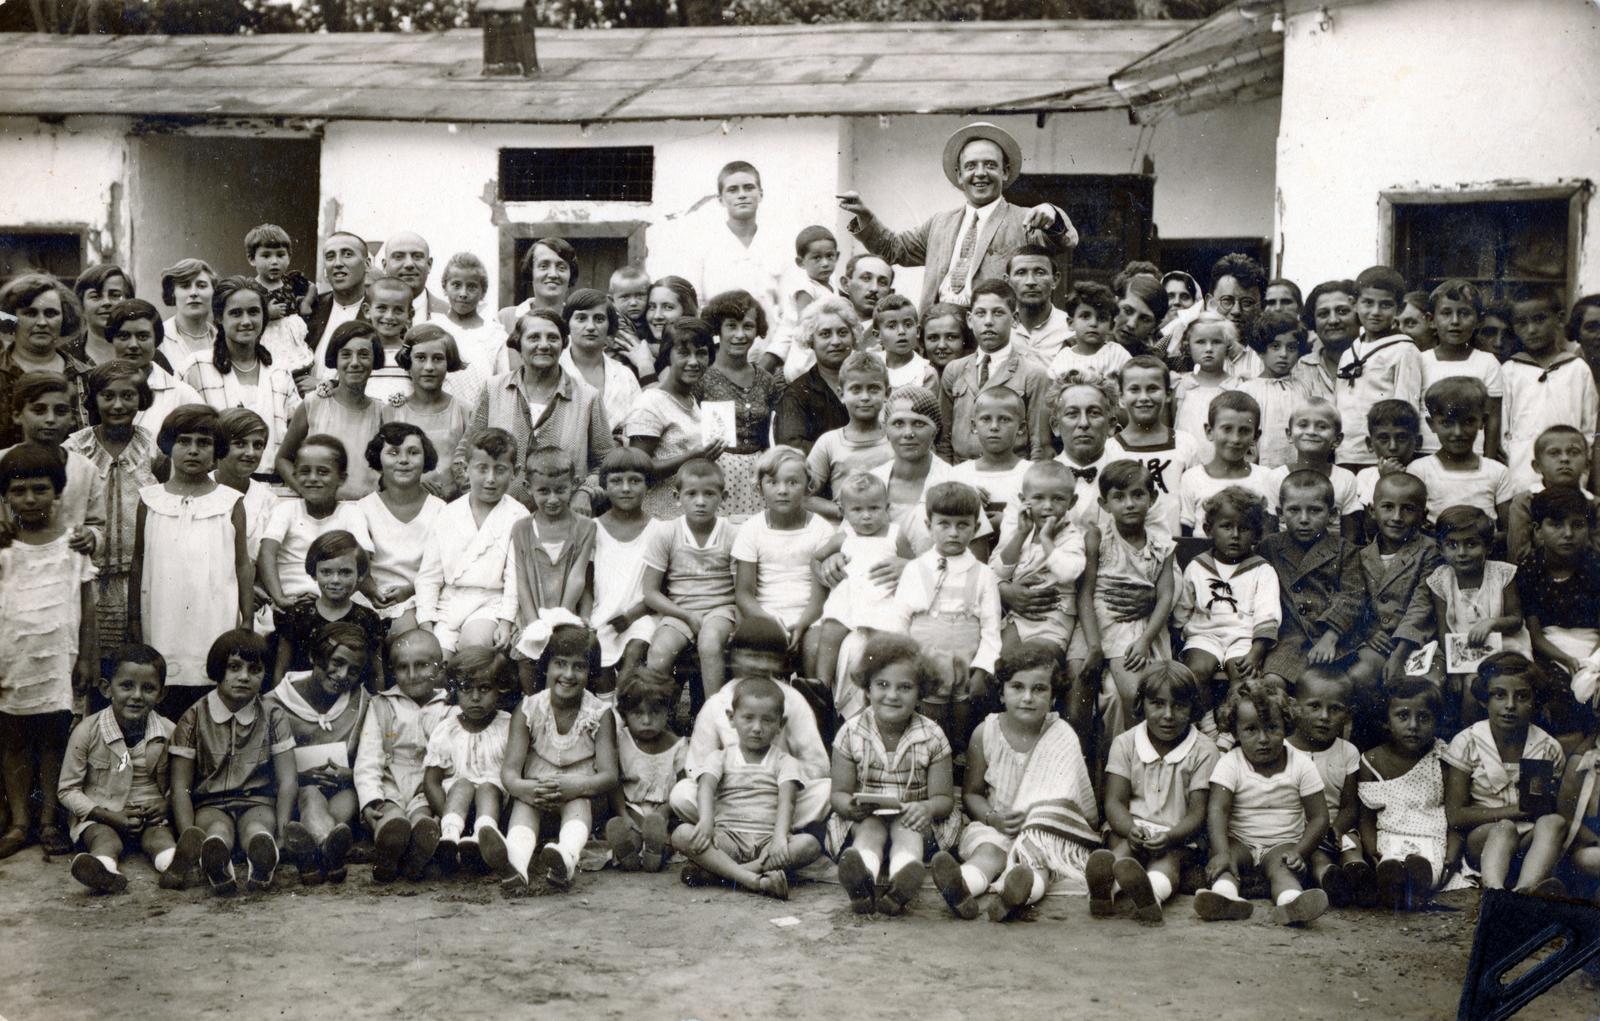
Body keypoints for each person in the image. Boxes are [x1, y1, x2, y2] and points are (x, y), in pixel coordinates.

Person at [931, 641, 1099, 921]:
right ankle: (961, 888)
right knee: (988, 853)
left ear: (1054, 696)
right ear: (1001, 693)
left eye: (1039, 689)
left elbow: (1072, 801)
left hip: (1042, 832)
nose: (1028, 697)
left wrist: (1039, 827)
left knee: (1037, 862)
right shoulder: (985, 733)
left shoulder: (1062, 734)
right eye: (1017, 687)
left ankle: (1017, 894)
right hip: (996, 824)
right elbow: (971, 793)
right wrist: (992, 818)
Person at [841, 121, 1077, 311]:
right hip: (939, 331)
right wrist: (865, 217)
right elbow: (894, 249)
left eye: (990, 165)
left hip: (991, 333)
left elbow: (1065, 241)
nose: (981, 173)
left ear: (1005, 172)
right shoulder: (940, 223)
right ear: (960, 174)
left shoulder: (1025, 220)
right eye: (971, 166)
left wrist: (1052, 215)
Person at [0, 443, 98, 859]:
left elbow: (88, 607)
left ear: (57, 493)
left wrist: (88, 658)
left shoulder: (73, 546)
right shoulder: (3, 548)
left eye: (40, 489)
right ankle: (21, 822)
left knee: (54, 739)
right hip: (11, 659)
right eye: (18, 491)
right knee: (14, 740)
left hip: (58, 658)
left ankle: (49, 821)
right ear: (5, 497)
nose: (29, 499)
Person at [129, 406, 250, 708]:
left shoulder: (229, 502)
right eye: (184, 441)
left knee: (210, 689)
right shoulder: (151, 500)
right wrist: (133, 618)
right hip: (162, 615)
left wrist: (247, 619)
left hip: (213, 615)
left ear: (217, 449)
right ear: (169, 445)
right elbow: (139, 561)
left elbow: (242, 564)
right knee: (164, 692)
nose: (193, 450)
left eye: (203, 443)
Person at [830, 633, 957, 915]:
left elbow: (943, 798)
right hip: (867, 819)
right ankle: (861, 882)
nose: (892, 695)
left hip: (914, 818)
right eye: (882, 685)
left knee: (905, 829)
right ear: (867, 687)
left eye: (905, 687)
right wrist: (849, 806)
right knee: (871, 829)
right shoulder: (851, 732)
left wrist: (926, 807)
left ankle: (904, 879)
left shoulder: (932, 736)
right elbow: (838, 793)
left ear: (920, 691)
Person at [168, 630, 296, 895]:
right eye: (234, 668)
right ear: (218, 670)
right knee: (217, 831)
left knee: (257, 830)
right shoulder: (193, 717)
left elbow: (287, 779)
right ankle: (216, 862)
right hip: (210, 803)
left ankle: (262, 861)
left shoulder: (273, 715)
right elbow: (180, 786)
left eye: (255, 669)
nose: (244, 677)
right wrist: (188, 834)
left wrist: (282, 830)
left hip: (258, 801)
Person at [672, 674, 820, 900]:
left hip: (766, 844)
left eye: (768, 720)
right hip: (727, 839)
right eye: (748, 718)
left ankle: (721, 874)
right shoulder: (720, 757)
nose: (757, 728)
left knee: (809, 845)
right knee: (681, 834)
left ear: (781, 724)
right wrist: (706, 821)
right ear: (732, 718)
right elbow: (706, 788)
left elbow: (787, 801)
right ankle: (751, 878)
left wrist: (780, 837)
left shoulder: (784, 761)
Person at [1195, 680, 1331, 926]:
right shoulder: (1230, 763)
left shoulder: (1301, 764)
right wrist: (1222, 852)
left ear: (1286, 726)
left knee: (1284, 869)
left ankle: (1291, 904)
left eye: (1272, 728)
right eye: (1251, 730)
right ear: (1235, 732)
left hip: (1282, 843)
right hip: (1240, 840)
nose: (1263, 739)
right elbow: (1217, 809)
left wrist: (1299, 851)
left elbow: (1320, 817)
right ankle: (1225, 898)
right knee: (1227, 864)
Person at [1093, 661, 1217, 924]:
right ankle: (1104, 891)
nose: (1168, 715)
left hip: (1179, 834)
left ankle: (1150, 895)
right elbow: (1114, 802)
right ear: (1142, 704)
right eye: (1157, 704)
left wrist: (1171, 836)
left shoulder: (1204, 750)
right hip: (1132, 828)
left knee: (1168, 862)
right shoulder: (1125, 743)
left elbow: (1198, 812)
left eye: (1179, 705)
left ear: (1193, 707)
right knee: (1122, 851)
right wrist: (1130, 829)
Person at [500, 621, 618, 892]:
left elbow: (610, 775)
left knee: (579, 803)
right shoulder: (529, 709)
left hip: (581, 795)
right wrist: (523, 788)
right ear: (547, 666)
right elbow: (510, 771)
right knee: (523, 805)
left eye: (579, 666)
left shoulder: (599, 713)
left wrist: (578, 786)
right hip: (536, 792)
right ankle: (517, 865)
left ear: (591, 672)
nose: (568, 674)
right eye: (560, 664)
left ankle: (566, 857)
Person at [59, 644, 187, 893]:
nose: (137, 696)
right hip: (102, 814)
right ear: (107, 689)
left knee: (159, 838)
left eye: (148, 688)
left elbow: (183, 782)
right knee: (104, 839)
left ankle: (174, 865)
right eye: (127, 686)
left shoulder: (170, 732)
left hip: (151, 816)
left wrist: (167, 804)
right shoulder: (87, 731)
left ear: (161, 694)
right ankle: (103, 870)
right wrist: (106, 814)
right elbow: (67, 790)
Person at [458, 308, 614, 511]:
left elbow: (606, 463)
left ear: (564, 343)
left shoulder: (587, 397)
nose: (544, 345)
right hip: (498, 517)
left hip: (563, 519)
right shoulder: (494, 389)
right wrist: (478, 498)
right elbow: (466, 451)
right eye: (533, 338)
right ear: (518, 344)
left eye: (553, 338)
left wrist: (585, 492)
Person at [889, 481, 1001, 749]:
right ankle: (931, 757)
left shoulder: (983, 574)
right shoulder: (916, 569)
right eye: (944, 524)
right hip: (926, 654)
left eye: (963, 525)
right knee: (930, 714)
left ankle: (960, 763)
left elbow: (991, 626)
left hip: (966, 655)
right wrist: (905, 661)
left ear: (975, 528)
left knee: (964, 715)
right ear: (929, 526)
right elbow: (900, 620)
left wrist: (983, 668)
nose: (953, 533)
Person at [1443, 653, 1567, 893]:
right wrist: (1513, 811)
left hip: (1530, 842)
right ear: (1484, 700)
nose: (1510, 705)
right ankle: (1494, 891)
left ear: (1534, 701)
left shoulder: (1547, 747)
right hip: (1485, 839)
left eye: (1522, 696)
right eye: (1499, 695)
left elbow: (1551, 807)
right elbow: (1455, 815)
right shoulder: (1467, 742)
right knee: (1506, 828)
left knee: (1555, 822)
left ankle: (1525, 890)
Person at [65, 360, 159, 654]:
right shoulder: (75, 449)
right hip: (86, 574)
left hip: (138, 576)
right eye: (108, 396)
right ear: (93, 400)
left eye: (128, 396)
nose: (118, 405)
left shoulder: (152, 448)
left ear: (141, 398)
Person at [268, 621, 371, 885]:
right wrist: (301, 776)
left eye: (354, 670)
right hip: (293, 797)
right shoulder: (273, 704)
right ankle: (329, 847)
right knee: (311, 795)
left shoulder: (361, 701)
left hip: (342, 791)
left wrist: (350, 774)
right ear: (316, 656)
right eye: (337, 662)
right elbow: (259, 767)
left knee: (349, 796)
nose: (342, 674)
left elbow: (373, 757)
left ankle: (315, 852)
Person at [416, 428, 527, 655]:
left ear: (515, 472)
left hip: (490, 604)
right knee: (433, 659)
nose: (490, 479)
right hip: (448, 604)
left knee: (473, 648)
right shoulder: (448, 513)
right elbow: (429, 574)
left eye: (500, 470)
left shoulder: (518, 516)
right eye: (482, 468)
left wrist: (506, 621)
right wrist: (426, 621)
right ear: (466, 469)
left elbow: (515, 577)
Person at [1085, 461, 1176, 738]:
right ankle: (1130, 758)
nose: (1129, 504)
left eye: (1138, 495)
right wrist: (1094, 645)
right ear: (1104, 503)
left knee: (1163, 691)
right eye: (1119, 497)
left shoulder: (1161, 544)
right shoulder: (1099, 539)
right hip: (1114, 623)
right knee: (1135, 693)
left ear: (1152, 498)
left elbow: (1166, 595)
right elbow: (1085, 594)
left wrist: (1146, 639)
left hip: (1150, 629)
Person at [354, 628, 451, 883]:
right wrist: (369, 799)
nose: (411, 675)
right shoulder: (382, 705)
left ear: (440, 668)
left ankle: (419, 851)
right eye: (402, 668)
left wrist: (446, 806)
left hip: (429, 784)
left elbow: (456, 760)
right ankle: (388, 851)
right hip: (391, 780)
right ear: (392, 671)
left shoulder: (449, 708)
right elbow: (368, 756)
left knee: (424, 820)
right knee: (390, 817)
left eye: (421, 666)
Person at [811, 472, 912, 716]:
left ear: (887, 507)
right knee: (832, 627)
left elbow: (911, 563)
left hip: (882, 596)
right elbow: (815, 558)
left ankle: (869, 687)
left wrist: (905, 565)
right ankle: (820, 685)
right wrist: (823, 572)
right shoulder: (844, 537)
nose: (866, 516)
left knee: (878, 643)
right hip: (849, 594)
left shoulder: (894, 533)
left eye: (874, 508)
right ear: (843, 510)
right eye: (857, 509)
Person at [179, 276, 302, 476]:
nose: (246, 321)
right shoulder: (196, 367)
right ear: (219, 317)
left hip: (274, 486)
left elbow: (296, 430)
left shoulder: (279, 370)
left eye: (253, 312)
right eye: (236, 313)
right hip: (214, 486)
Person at [640, 458, 740, 700]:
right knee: (660, 651)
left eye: (709, 494)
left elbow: (740, 590)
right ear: (677, 497)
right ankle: (657, 716)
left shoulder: (733, 533)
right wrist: (685, 615)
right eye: (691, 494)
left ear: (723, 497)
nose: (700, 502)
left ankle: (713, 715)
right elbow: (650, 592)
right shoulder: (667, 532)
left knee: (709, 641)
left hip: (721, 610)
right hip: (680, 611)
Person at [732, 446, 833, 682]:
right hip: (765, 614)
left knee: (815, 649)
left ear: (808, 486)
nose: (783, 491)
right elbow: (744, 594)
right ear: (759, 488)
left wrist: (802, 624)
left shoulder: (821, 529)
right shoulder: (752, 529)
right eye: (773, 483)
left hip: (811, 615)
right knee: (763, 651)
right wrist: (770, 623)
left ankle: (814, 714)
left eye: (792, 482)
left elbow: (819, 598)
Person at [257, 435, 374, 638]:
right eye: (305, 471)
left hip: (338, 602)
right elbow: (267, 553)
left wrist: (333, 601)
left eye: (323, 472)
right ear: (294, 474)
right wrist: (280, 597)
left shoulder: (351, 513)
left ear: (342, 478)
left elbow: (363, 562)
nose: (312, 478)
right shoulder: (286, 510)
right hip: (292, 601)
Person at [1174, 487, 1279, 702]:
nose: (1235, 535)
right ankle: (1207, 725)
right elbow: (1183, 607)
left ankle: (1231, 729)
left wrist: (1255, 653)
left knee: (1243, 677)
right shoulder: (1198, 566)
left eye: (1245, 528)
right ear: (1208, 529)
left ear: (1257, 534)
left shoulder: (1262, 570)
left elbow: (1267, 614)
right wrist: (1175, 638)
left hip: (1244, 637)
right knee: (1196, 671)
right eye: (1226, 526)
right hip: (1204, 634)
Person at [1427, 507, 1530, 724]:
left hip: (1504, 649)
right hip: (1463, 656)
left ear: (1489, 547)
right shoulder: (1441, 580)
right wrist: (1454, 670)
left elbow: (1515, 619)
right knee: (1465, 684)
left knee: (1475, 684)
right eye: (1452, 545)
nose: (1461, 552)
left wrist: (1492, 623)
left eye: (1471, 544)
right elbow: (1444, 629)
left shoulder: (1502, 574)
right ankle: (1470, 740)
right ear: (1441, 549)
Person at [1258, 469, 1363, 684]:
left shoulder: (1344, 550)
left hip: (1335, 636)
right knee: (1272, 682)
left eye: (1315, 510)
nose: (1304, 519)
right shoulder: (1269, 548)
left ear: (1332, 514)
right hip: (1290, 639)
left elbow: (1353, 597)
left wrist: (1330, 637)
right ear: (1279, 513)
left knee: (1340, 684)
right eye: (1294, 510)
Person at [1357, 678, 1454, 911]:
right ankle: (1393, 889)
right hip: (1389, 834)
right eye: (1403, 716)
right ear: (1387, 721)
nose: (1413, 725)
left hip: (1432, 835)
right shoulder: (1371, 760)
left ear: (1436, 722)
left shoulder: (1442, 758)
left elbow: (1454, 814)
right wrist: (1371, 849)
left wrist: (1451, 855)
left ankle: (1418, 887)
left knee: (1426, 866)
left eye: (1423, 718)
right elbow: (1366, 817)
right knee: (1389, 864)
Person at [508, 447, 596, 691]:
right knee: (527, 656)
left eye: (561, 490)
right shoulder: (522, 528)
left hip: (567, 613)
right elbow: (522, 580)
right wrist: (534, 622)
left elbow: (579, 577)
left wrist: (561, 619)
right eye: (543, 491)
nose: (553, 499)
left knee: (566, 656)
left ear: (575, 484)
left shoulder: (586, 527)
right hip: (532, 614)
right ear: (528, 487)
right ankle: (532, 707)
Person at [940, 279, 1053, 463]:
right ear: (970, 319)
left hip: (1011, 474)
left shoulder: (1033, 374)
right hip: (960, 474)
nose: (988, 322)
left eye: (998, 313)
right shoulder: (955, 370)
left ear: (1015, 320)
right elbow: (943, 440)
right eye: (980, 313)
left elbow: (1040, 446)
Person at [1502, 284, 1600, 492]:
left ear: (1559, 318)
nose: (1531, 330)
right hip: (1522, 472)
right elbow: (1504, 428)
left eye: (1539, 319)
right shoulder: (1510, 370)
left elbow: (1588, 428)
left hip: (1569, 474)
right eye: (1522, 323)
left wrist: (1581, 469)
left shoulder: (1577, 369)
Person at [423, 646, 512, 875]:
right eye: (465, 688)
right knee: (461, 784)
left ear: (499, 689)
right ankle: (450, 839)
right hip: (453, 808)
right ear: (454, 690)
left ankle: (483, 837)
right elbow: (432, 781)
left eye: (484, 688)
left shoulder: (508, 726)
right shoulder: (447, 730)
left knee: (487, 787)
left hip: (496, 807)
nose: (475, 698)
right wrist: (446, 814)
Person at [661, 160, 785, 322]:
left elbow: (788, 305)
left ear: (760, 194)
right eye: (732, 190)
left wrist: (776, 347)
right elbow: (694, 302)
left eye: (749, 187)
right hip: (718, 340)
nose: (742, 195)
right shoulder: (703, 245)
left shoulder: (778, 243)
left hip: (769, 341)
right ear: (720, 199)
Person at [698, 289, 784, 520]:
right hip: (715, 473)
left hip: (757, 474)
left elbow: (773, 433)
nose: (739, 334)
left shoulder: (766, 380)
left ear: (758, 330)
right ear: (718, 329)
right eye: (731, 326)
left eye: (747, 326)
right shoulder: (702, 378)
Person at [626, 319, 722, 520]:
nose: (694, 361)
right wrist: (693, 455)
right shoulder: (651, 402)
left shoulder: (690, 399)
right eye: (684, 353)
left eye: (701, 353)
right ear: (667, 355)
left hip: (688, 516)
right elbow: (636, 471)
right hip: (659, 518)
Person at [1356, 473, 1443, 692]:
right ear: (1372, 511)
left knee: (1426, 687)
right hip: (1376, 639)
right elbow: (1355, 600)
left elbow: (1422, 605)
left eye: (1408, 509)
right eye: (1387, 507)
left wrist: (1399, 654)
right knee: (1360, 676)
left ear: (1423, 515)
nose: (1397, 516)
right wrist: (1367, 631)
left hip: (1417, 642)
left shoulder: (1429, 551)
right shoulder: (1360, 555)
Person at [1285, 669, 1364, 908]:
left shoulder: (1347, 751)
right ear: (1294, 707)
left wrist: (1338, 829)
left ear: (1347, 715)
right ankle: (1328, 879)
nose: (1324, 716)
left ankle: (1358, 873)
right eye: (1314, 706)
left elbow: (1350, 806)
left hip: (1335, 828)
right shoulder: (1283, 749)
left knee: (1353, 843)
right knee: (1318, 856)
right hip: (1299, 831)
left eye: (1335, 709)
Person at [1333, 267, 1424, 470]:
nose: (1375, 312)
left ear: (1399, 309)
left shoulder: (1404, 350)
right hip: (1346, 451)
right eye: (1367, 303)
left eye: (1385, 305)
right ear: (1354, 303)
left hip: (1381, 456)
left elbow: (1406, 407)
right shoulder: (1350, 352)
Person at [992, 460, 1086, 657]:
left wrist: (1046, 540)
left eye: (1058, 499)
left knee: (1034, 662)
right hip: (1018, 616)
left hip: (1053, 618)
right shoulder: (1024, 530)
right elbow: (1001, 570)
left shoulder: (1071, 536)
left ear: (1072, 501)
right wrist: (1020, 534)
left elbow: (1067, 573)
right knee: (998, 662)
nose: (1048, 506)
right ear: (1023, 499)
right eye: (1038, 498)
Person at [4, 372, 105, 553]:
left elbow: (98, 525)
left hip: (65, 570)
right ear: (17, 415)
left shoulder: (84, 469)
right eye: (39, 410)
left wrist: (91, 535)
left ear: (73, 418)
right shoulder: (2, 462)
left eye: (60, 411)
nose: (50, 419)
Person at [270, 531, 385, 689]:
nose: (335, 580)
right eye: (326, 572)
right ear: (314, 573)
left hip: (348, 701)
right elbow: (281, 669)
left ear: (359, 574)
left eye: (345, 572)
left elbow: (376, 674)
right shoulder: (298, 615)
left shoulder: (367, 618)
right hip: (301, 699)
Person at [1108, 356, 1203, 538]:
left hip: (1175, 547)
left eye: (1153, 389)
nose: (1144, 397)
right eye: (1134, 389)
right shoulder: (1110, 449)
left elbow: (1194, 501)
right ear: (1121, 398)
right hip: (1125, 550)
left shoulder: (1186, 443)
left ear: (1168, 394)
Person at [604, 666, 686, 873]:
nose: (647, 721)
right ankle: (628, 854)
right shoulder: (621, 740)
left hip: (666, 810)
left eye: (655, 712)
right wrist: (623, 813)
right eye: (638, 713)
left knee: (663, 833)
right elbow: (614, 782)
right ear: (625, 713)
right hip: (632, 807)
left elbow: (683, 785)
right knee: (631, 832)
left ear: (668, 711)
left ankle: (656, 853)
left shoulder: (678, 746)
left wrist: (664, 811)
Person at [0, 274, 92, 448]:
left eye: (51, 313)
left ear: (64, 318)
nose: (42, 322)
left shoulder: (85, 376)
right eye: (30, 313)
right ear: (12, 318)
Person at [589, 448, 657, 682]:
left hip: (642, 614)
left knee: (635, 649)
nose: (626, 488)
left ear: (648, 485)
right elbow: (586, 582)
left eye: (635, 481)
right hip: (602, 612)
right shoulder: (592, 528)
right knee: (598, 654)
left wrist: (632, 615)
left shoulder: (659, 530)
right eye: (616, 481)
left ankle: (624, 707)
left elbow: (662, 587)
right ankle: (609, 712)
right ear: (604, 486)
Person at [1408, 378, 1513, 528]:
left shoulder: (1497, 472)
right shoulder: (1420, 470)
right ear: (1432, 424)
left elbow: (1508, 531)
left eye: (1468, 422)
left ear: (1482, 421)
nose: (1457, 432)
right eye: (1447, 423)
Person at [1420, 279, 1503, 459]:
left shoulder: (1487, 363)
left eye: (1464, 313)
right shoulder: (1420, 361)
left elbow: (1493, 418)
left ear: (1479, 320)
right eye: (1446, 313)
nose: (1455, 321)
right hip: (1425, 452)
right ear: (1431, 320)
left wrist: (1488, 461)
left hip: (1474, 454)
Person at [1178, 391, 1278, 537]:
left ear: (1256, 436)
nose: (1235, 439)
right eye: (1227, 429)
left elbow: (1269, 537)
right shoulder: (1191, 478)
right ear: (1209, 431)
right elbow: (1186, 537)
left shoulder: (1266, 477)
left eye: (1244, 431)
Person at [805, 351, 891, 517]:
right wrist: (845, 512)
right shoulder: (829, 442)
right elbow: (805, 497)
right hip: (844, 532)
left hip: (891, 530)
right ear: (841, 394)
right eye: (856, 389)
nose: (865, 397)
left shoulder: (896, 438)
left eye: (873, 389)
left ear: (887, 393)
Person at [389, 326, 471, 497]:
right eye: (420, 358)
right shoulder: (392, 412)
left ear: (449, 362)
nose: (429, 367)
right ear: (408, 361)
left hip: (451, 505)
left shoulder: (464, 411)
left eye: (438, 359)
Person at [105, 300, 204, 436]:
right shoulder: (97, 388)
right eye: (124, 336)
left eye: (143, 336)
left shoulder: (183, 396)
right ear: (112, 339)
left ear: (156, 340)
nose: (133, 344)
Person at [772, 296, 858, 454]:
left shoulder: (868, 380)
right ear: (811, 340)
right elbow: (792, 448)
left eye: (843, 332)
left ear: (853, 337)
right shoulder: (796, 394)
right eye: (825, 334)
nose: (836, 341)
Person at [559, 288, 643, 443]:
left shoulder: (624, 376)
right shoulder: (555, 369)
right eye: (581, 318)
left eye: (599, 319)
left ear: (609, 326)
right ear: (567, 324)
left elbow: (638, 429)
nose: (590, 326)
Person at [948, 387, 1030, 543]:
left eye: (1004, 419)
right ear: (973, 426)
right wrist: (964, 502)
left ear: (1021, 428)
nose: (994, 427)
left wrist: (1006, 522)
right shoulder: (958, 476)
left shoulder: (1031, 473)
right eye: (986, 419)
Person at [1506, 425, 1593, 563]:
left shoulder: (1594, 504)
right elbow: (1519, 555)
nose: (1564, 459)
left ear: (1587, 465)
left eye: (1574, 452)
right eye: (1554, 453)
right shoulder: (1524, 502)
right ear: (1537, 466)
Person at [1239, 311, 1313, 469]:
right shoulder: (1248, 390)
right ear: (1260, 351)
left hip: (1298, 467)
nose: (1284, 354)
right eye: (1275, 346)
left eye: (1291, 348)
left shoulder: (1303, 388)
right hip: (1260, 467)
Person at [436, 251, 511, 405]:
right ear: (445, 287)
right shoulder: (435, 328)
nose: (463, 294)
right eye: (456, 285)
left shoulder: (495, 335)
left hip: (482, 418)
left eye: (471, 287)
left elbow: (503, 385)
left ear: (482, 292)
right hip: (441, 416)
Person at [244, 225, 314, 389]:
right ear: (252, 259)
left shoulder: (292, 281)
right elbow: (247, 313)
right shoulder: (251, 288)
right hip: (269, 336)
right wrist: (266, 314)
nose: (274, 262)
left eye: (280, 255)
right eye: (266, 256)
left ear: (289, 257)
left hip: (291, 337)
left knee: (298, 371)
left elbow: (312, 288)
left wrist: (306, 303)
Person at [1172, 312, 1244, 465]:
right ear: (1188, 345)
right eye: (1200, 342)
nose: (1209, 348)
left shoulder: (1237, 386)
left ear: (1228, 346)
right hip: (1186, 464)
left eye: (1217, 342)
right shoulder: (1182, 385)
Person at [1352, 399, 1423, 518]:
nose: (1393, 447)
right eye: (1384, 439)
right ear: (1370, 444)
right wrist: (1385, 479)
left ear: (1418, 442)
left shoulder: (1423, 473)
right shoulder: (1365, 477)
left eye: (1402, 438)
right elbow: (1369, 525)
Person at [496, 237, 577, 335]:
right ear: (531, 272)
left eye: (561, 267)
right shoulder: (505, 319)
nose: (553, 274)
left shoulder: (578, 322)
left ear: (570, 274)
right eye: (543, 266)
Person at [1207, 254, 1268, 381]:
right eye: (1227, 301)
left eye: (1247, 303)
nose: (1236, 311)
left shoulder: (1270, 358)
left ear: (1261, 306)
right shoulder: (1194, 354)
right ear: (1210, 303)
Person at [1050, 282, 1128, 380]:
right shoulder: (1063, 358)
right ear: (1071, 323)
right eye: (1085, 316)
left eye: (1102, 318)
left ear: (1111, 326)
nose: (1093, 323)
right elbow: (1053, 391)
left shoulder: (1117, 354)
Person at [1007, 245, 1069, 366]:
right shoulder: (999, 326)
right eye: (1021, 273)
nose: (1030, 282)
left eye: (1040, 273)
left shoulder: (1070, 329)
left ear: (1055, 280)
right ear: (1008, 281)